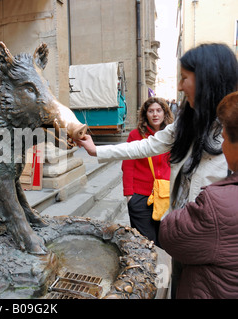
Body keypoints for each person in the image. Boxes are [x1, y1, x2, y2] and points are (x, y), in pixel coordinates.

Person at [76, 42, 238, 298]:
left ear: (209, 79)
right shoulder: (186, 122)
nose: (180, 86)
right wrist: (96, 150)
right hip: (184, 235)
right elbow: (146, 146)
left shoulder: (231, 132)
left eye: (185, 78)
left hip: (214, 247)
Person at [159, 91, 238, 299]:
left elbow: (170, 234)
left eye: (226, 138)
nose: (221, 145)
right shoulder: (185, 129)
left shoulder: (217, 201)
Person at [122, 97, 173, 246]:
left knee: (165, 240)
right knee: (144, 242)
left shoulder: (172, 135)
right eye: (151, 111)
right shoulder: (135, 135)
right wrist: (129, 195)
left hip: (165, 196)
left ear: (164, 113)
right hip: (141, 195)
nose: (155, 114)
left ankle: (163, 269)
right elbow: (128, 165)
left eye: (158, 110)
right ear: (145, 115)